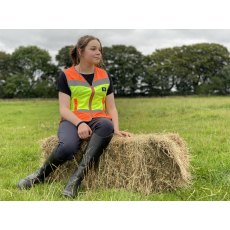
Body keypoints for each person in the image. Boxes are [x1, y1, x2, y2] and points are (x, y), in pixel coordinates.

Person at [17, 35, 131, 198]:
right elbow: (63, 109)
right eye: (93, 49)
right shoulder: (67, 75)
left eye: (100, 49)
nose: (98, 53)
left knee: (107, 125)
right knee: (67, 148)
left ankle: (75, 180)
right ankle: (39, 176)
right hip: (72, 120)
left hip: (98, 120)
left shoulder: (105, 76)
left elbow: (111, 107)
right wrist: (80, 124)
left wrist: (117, 129)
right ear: (80, 51)